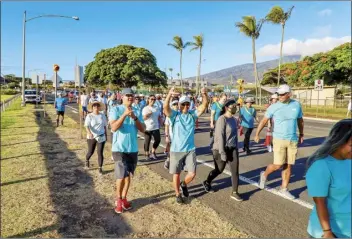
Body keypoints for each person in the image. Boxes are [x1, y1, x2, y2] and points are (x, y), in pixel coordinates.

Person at [254, 84, 304, 199]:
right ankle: (264, 174)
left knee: (288, 165)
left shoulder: (296, 105)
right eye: (279, 94)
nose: (280, 96)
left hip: (292, 139)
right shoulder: (274, 107)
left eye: (282, 94)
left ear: (289, 94)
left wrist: (301, 134)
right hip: (279, 139)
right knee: (278, 165)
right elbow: (263, 121)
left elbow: (300, 120)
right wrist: (257, 134)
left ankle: (284, 189)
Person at [305, 119, 351, 238]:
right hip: (333, 232)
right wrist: (327, 232)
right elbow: (320, 202)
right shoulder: (322, 166)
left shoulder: (349, 161)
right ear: (339, 141)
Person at [164, 87, 208, 204]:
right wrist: (169, 95)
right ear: (179, 105)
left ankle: (183, 184)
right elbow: (165, 108)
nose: (185, 107)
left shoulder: (192, 115)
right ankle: (178, 194)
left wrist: (204, 94)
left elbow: (204, 106)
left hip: (190, 150)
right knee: (176, 173)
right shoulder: (175, 115)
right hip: (176, 150)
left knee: (192, 173)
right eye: (183, 104)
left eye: (187, 104)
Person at [109, 88, 145, 214]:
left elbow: (143, 129)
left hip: (133, 149)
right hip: (119, 148)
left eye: (132, 95)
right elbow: (113, 127)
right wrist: (124, 115)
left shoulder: (137, 110)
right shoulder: (115, 109)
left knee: (128, 175)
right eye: (127, 95)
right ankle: (118, 200)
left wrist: (134, 117)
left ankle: (124, 198)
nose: (130, 97)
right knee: (121, 175)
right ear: (122, 97)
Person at [202, 99, 243, 201]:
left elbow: (234, 136)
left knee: (235, 171)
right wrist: (222, 152)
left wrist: (236, 147)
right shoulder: (222, 119)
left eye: (235, 106)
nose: (234, 108)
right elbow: (220, 136)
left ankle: (234, 192)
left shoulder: (233, 119)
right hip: (220, 149)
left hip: (232, 148)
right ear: (226, 108)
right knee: (219, 170)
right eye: (232, 106)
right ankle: (207, 182)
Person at [84, 100, 108, 174]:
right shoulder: (89, 116)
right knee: (90, 152)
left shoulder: (102, 115)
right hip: (92, 137)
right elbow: (86, 126)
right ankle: (87, 160)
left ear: (99, 107)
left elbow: (104, 126)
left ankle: (100, 168)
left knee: (100, 152)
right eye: (94, 106)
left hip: (101, 136)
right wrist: (89, 133)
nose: (96, 107)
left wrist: (106, 135)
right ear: (92, 107)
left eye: (97, 105)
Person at [142, 95, 162, 161]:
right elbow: (143, 118)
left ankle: (153, 151)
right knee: (147, 141)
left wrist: (161, 122)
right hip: (148, 127)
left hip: (155, 127)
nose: (153, 100)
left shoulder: (157, 108)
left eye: (154, 99)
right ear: (148, 99)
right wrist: (148, 114)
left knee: (158, 140)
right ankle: (147, 154)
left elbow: (159, 116)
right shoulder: (145, 108)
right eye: (151, 99)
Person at [164, 98, 180, 169]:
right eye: (174, 104)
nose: (176, 105)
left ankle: (175, 163)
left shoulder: (182, 113)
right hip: (172, 136)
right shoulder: (169, 115)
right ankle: (168, 161)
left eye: (177, 104)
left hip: (180, 137)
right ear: (171, 106)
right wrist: (167, 136)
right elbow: (166, 126)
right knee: (173, 150)